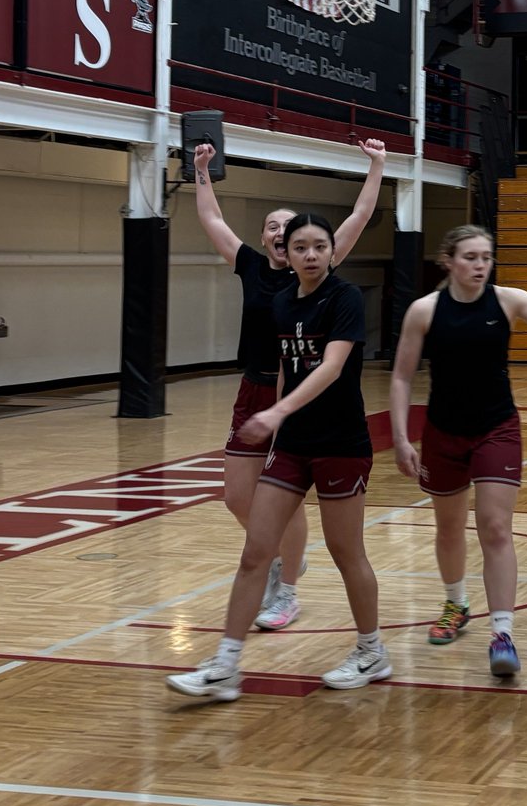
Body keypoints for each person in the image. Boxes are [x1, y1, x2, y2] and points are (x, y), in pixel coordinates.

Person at [167, 213, 390, 699]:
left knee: (346, 552)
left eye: (319, 246)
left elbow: (331, 367)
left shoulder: (345, 298)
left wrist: (276, 411)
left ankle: (372, 651)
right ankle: (226, 665)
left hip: (341, 444)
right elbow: (288, 368)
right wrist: (281, 419)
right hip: (292, 445)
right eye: (300, 247)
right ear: (286, 253)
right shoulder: (283, 301)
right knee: (255, 552)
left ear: (332, 252)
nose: (310, 255)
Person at [389, 224, 527, 678]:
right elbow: (401, 376)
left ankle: (502, 633)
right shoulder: (424, 311)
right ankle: (456, 604)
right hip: (443, 433)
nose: (480, 265)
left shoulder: (508, 300)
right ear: (448, 261)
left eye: (486, 257)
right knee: (448, 529)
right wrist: (399, 438)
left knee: (494, 527)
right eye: (470, 257)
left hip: (496, 428)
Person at [192, 138, 385, 630]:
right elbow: (212, 219)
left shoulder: (319, 270)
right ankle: (282, 555)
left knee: (285, 492)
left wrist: (377, 166)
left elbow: (360, 216)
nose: (281, 231)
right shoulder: (251, 267)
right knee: (238, 496)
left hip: (299, 394)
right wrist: (201, 169)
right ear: (265, 239)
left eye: (289, 225)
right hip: (254, 388)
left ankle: (287, 589)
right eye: (272, 226)